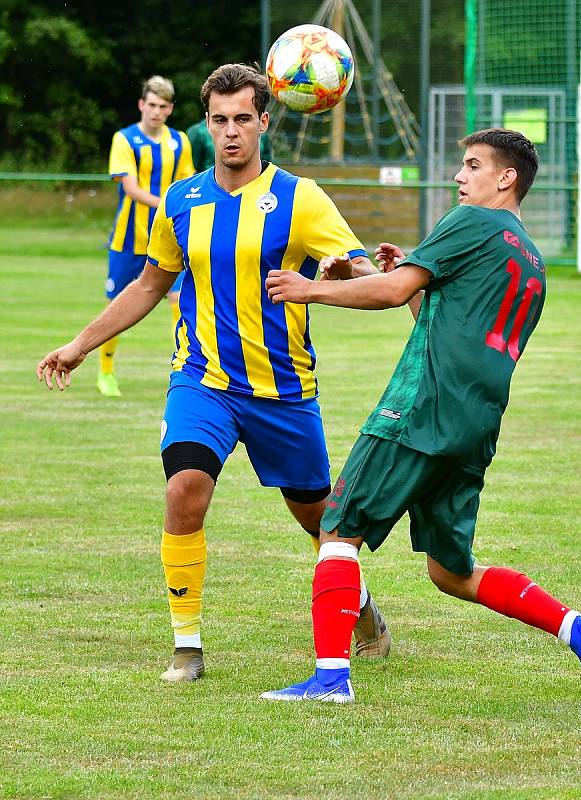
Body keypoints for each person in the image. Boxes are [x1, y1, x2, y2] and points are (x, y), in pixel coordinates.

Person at [36, 63, 390, 682]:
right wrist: (80, 344)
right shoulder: (183, 200)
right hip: (201, 380)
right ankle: (187, 645)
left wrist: (386, 278)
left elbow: (357, 267)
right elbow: (150, 285)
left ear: (264, 122)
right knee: (184, 490)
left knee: (318, 520)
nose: (231, 133)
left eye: (243, 120)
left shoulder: (302, 198)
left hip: (283, 391)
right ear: (207, 124)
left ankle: (360, 606)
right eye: (220, 121)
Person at [260, 128, 581, 704]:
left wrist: (310, 290)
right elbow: (433, 320)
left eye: (472, 165)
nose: (459, 175)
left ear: (505, 179)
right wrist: (384, 275)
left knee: (337, 527)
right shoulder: (528, 259)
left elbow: (394, 294)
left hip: (418, 410)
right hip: (473, 425)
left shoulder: (472, 223)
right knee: (451, 571)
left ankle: (330, 679)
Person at [99, 75, 195, 397]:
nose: (156, 111)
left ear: (170, 109)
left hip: (170, 238)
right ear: (142, 105)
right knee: (117, 304)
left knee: (178, 300)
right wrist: (169, 204)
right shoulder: (124, 139)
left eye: (162, 106)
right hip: (129, 239)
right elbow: (131, 189)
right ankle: (106, 371)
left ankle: (184, 370)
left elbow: (186, 186)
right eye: (151, 105)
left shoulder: (180, 141)